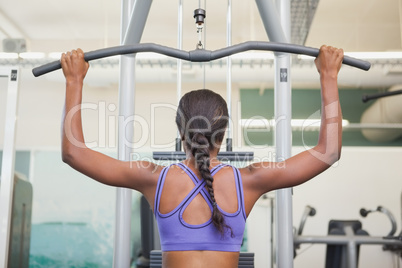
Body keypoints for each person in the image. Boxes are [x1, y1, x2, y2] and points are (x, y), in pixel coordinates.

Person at [60, 45, 344, 268]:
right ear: (223, 135)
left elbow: (74, 153)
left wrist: (74, 80)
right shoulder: (249, 181)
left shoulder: (153, 178)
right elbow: (328, 151)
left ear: (180, 132)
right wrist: (328, 75)